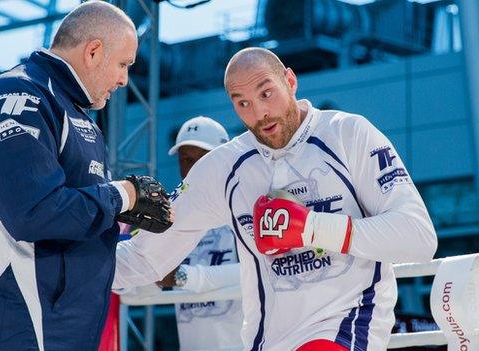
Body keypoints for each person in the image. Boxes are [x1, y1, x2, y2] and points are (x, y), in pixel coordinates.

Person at [114, 47, 437, 350]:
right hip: (266, 339)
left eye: (266, 93)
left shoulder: (347, 134)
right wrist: (69, 265)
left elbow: (419, 236)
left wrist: (312, 227)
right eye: (242, 103)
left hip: (343, 327)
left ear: (290, 81)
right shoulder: (223, 169)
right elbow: (147, 256)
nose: (260, 113)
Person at [0, 2, 171, 350]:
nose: (124, 79)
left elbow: (77, 219)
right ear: (94, 51)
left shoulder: (77, 114)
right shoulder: (18, 96)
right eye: (123, 64)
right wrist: (123, 195)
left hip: (60, 332)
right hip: (14, 332)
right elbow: (34, 211)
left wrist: (127, 213)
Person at [162, 116, 243, 351]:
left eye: (203, 159)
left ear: (222, 159)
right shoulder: (169, 214)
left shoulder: (243, 206)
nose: (193, 168)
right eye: (186, 159)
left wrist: (185, 277)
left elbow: (259, 271)